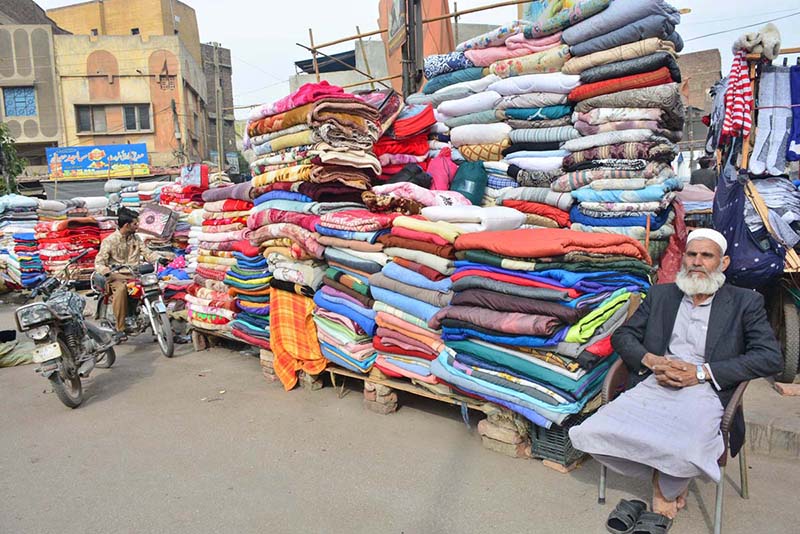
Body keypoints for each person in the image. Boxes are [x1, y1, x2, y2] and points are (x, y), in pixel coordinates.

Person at [569, 229, 782, 530]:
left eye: (706, 256)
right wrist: (652, 360)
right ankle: (666, 479)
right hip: (655, 382)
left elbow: (770, 357)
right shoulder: (662, 294)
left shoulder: (745, 302)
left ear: (723, 263)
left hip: (705, 388)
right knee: (592, 431)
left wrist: (701, 372)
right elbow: (624, 335)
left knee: (687, 448)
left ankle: (663, 497)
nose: (697, 262)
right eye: (691, 254)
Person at [94, 207, 164, 341]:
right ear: (127, 225)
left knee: (154, 287)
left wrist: (159, 258)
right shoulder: (110, 241)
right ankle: (120, 328)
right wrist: (106, 271)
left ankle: (162, 325)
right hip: (117, 276)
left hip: (134, 274)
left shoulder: (136, 238)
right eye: (135, 224)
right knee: (121, 290)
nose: (137, 226)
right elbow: (99, 262)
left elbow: (147, 253)